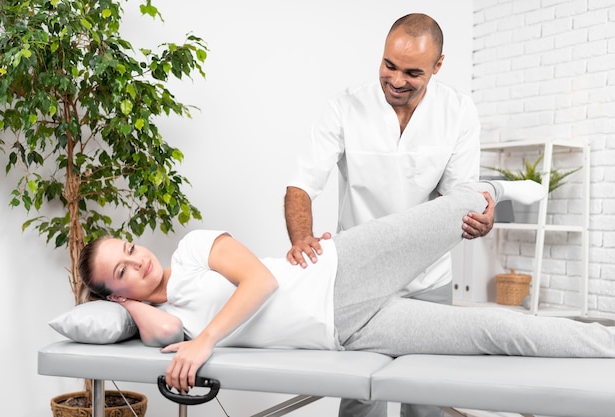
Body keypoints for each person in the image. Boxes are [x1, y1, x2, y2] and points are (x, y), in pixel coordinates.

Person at [79, 180, 615, 399]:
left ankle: (496, 187)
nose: (137, 259)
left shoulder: (194, 248)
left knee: (458, 211)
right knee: (498, 332)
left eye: (129, 248)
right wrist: (128, 307)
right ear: (113, 295)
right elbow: (162, 333)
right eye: (121, 272)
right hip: (348, 333)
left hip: (342, 269)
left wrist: (205, 342)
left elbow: (261, 280)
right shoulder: (170, 324)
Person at [284, 13, 491, 417]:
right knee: (362, 399)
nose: (396, 80)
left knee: (427, 399)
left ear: (438, 65)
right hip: (361, 277)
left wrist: (481, 215)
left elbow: (461, 195)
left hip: (428, 278)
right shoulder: (344, 108)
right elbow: (301, 186)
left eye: (413, 72)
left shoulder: (458, 112)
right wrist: (301, 239)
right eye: (388, 65)